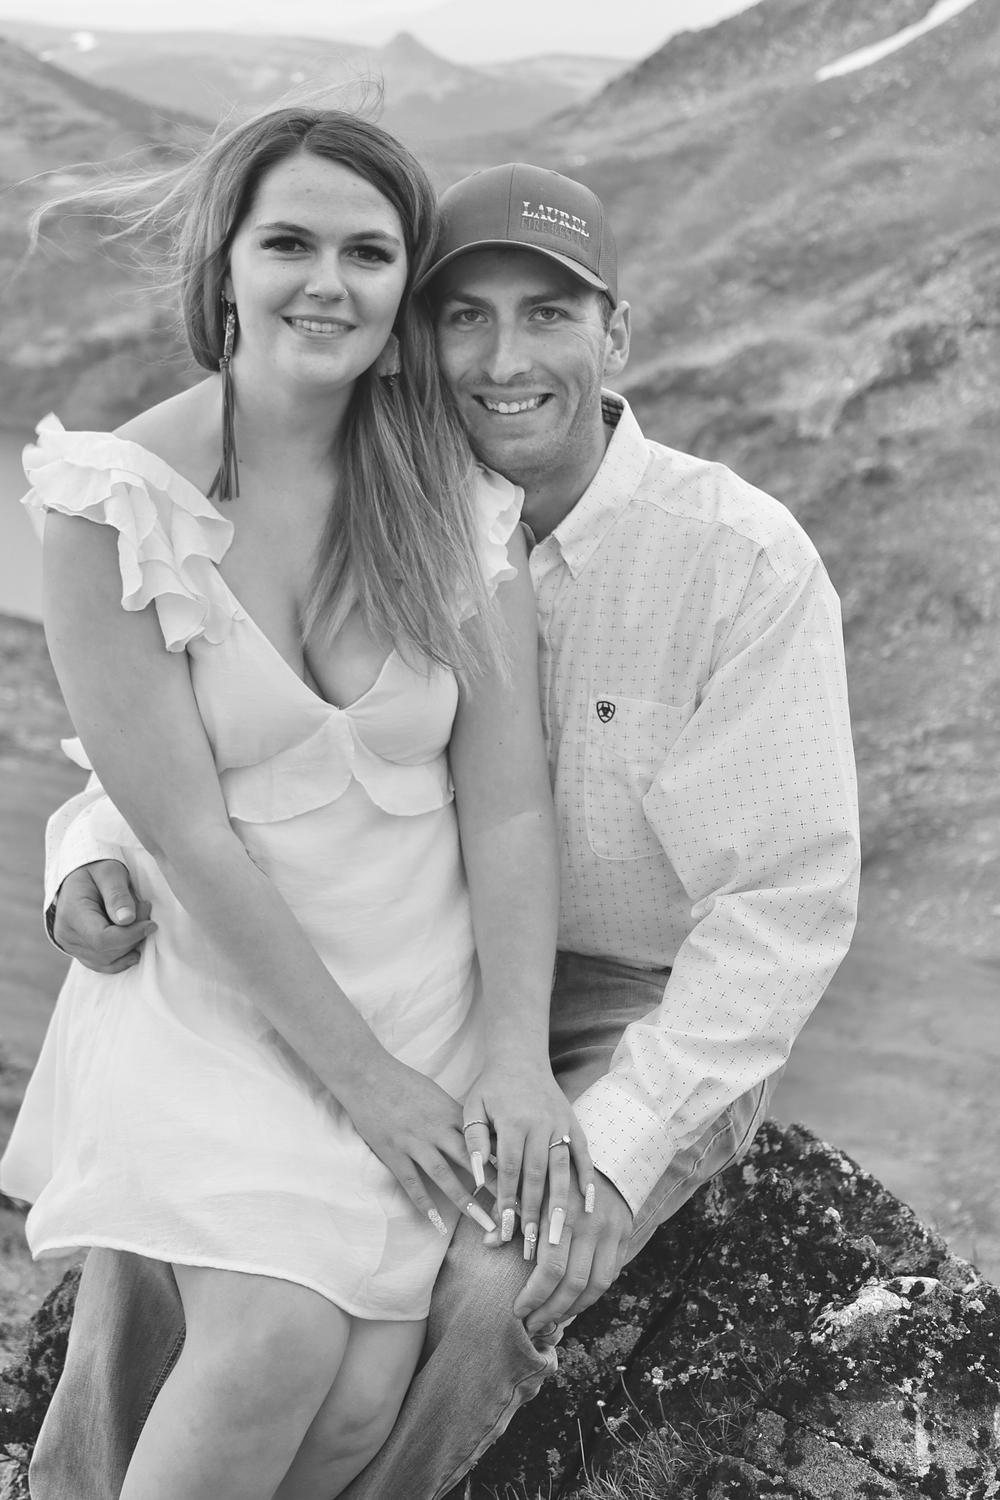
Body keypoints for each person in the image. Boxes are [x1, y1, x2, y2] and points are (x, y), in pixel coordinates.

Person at [26, 162, 861, 1499]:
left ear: (616, 335)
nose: (503, 359)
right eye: (464, 316)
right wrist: (89, 850)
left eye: (549, 315)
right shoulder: (374, 486)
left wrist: (620, 1141)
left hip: (627, 1001)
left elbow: (786, 908)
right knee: (180, 1242)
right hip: (398, 964)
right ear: (415, 335)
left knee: (489, 1278)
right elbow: (238, 754)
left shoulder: (734, 560)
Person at [0, 127, 594, 1500]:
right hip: (227, 1000)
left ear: (402, 293)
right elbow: (185, 831)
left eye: (368, 252)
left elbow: (507, 807)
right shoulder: (109, 505)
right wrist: (366, 1086)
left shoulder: (454, 502)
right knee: (272, 1342)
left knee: (353, 1414)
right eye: (289, 243)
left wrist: (514, 1059)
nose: (328, 282)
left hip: (423, 1001)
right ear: (225, 268)